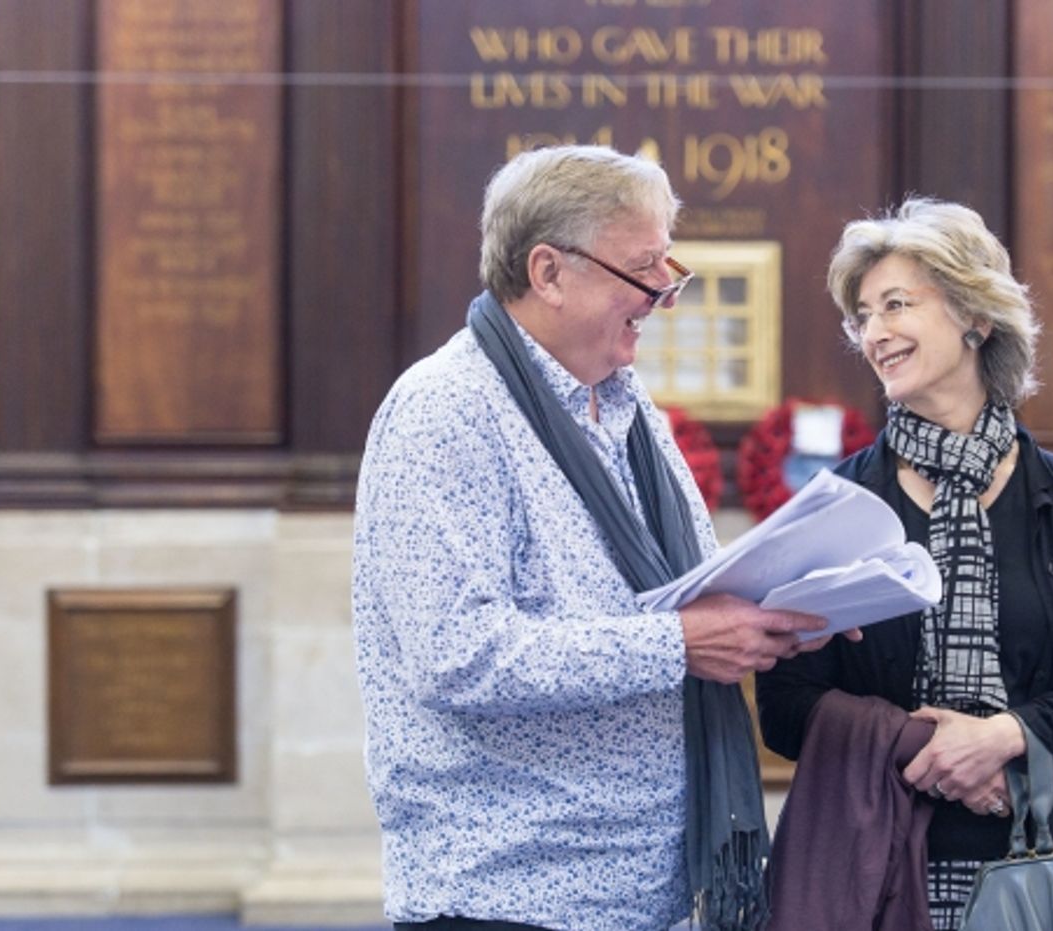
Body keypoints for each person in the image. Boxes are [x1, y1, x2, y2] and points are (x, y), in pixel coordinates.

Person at [351, 144, 830, 931]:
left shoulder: (628, 405)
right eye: (643, 271)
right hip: (506, 894)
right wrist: (678, 645)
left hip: (659, 893)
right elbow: (458, 653)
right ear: (548, 272)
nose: (664, 297)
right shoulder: (444, 412)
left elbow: (688, 595)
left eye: (667, 268)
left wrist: (787, 609)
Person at [755, 197, 1053, 930]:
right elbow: (783, 709)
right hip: (873, 868)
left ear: (975, 317)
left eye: (896, 304)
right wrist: (931, 748)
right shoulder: (833, 507)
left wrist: (1003, 738)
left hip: (1044, 865)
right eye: (862, 315)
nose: (875, 332)